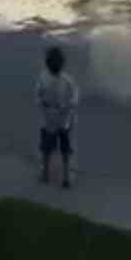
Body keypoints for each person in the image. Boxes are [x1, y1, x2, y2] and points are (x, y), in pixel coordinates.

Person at [37, 45, 78, 189]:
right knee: (51, 149)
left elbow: (74, 96)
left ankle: (59, 175)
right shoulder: (46, 78)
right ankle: (51, 173)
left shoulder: (65, 80)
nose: (56, 65)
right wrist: (44, 105)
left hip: (61, 119)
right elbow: (38, 96)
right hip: (53, 119)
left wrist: (69, 105)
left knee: (60, 149)